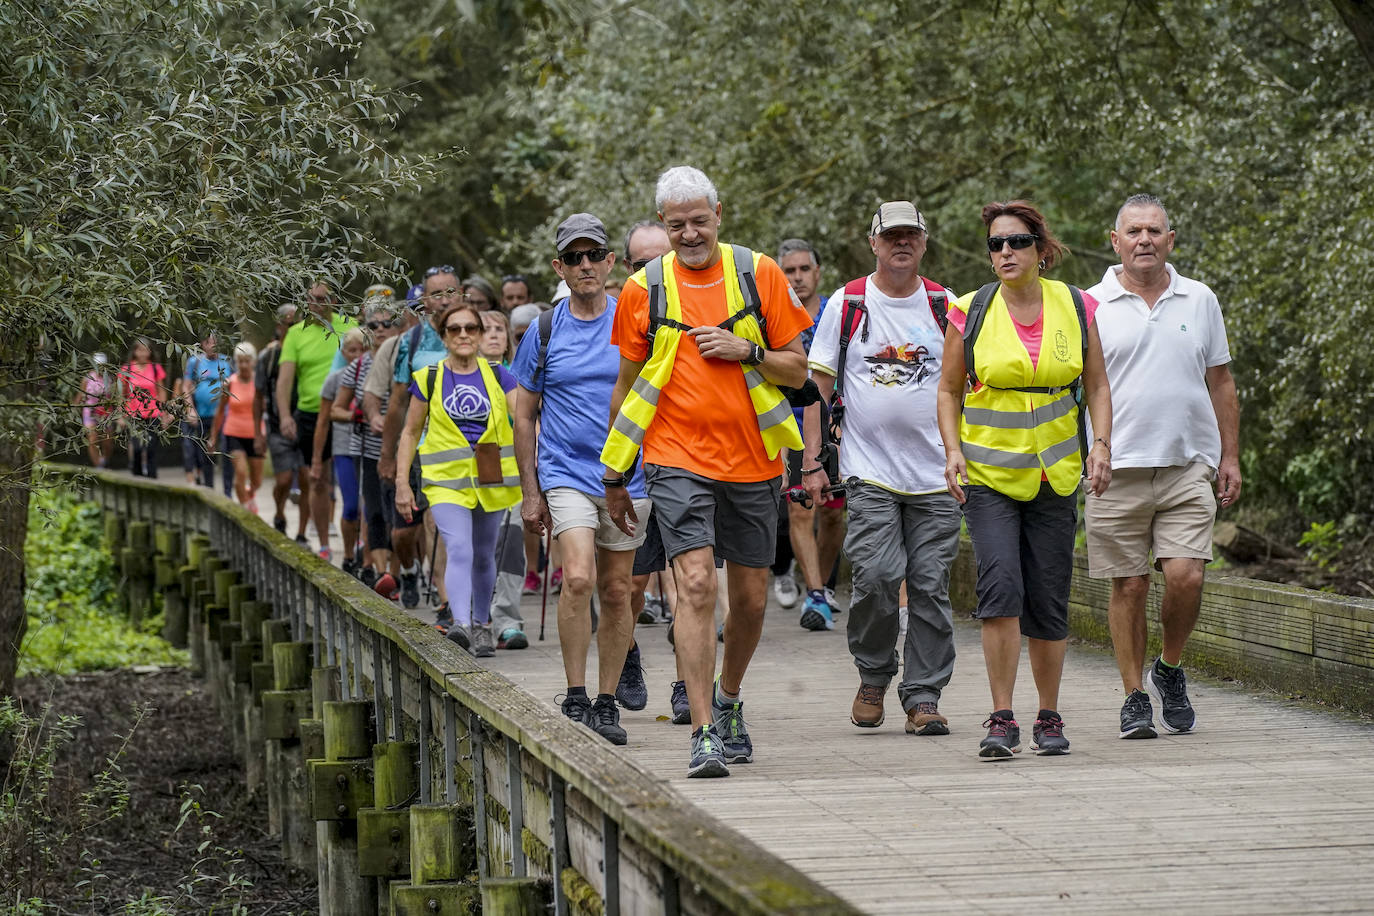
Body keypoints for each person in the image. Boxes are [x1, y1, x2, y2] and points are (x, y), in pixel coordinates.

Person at [601, 166, 812, 778]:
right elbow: (626, 389)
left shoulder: (760, 272)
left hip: (753, 458)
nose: (689, 234)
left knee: (748, 600)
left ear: (719, 214)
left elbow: (800, 372)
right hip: (675, 458)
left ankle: (728, 699)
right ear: (663, 226)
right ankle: (702, 733)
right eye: (676, 225)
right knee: (695, 585)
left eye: (698, 221)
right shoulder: (645, 288)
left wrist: (746, 351)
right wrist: (616, 476)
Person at [936, 200, 1113, 759]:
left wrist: (1101, 446)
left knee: (1049, 599)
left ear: (1040, 247)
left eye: (1016, 242)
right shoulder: (971, 309)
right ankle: (1001, 717)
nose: (1005, 252)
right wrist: (951, 451)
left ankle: (1049, 716)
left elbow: (1099, 386)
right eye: (996, 245)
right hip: (989, 475)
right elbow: (946, 389)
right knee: (1000, 590)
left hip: (1056, 476)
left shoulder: (1077, 304)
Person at [1085, 194, 1241, 739]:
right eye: (1133, 232)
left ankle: (1169, 669)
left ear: (1170, 239)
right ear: (1115, 240)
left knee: (1186, 575)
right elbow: (1075, 387)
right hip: (1115, 467)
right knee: (1127, 586)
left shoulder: (1199, 299)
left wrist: (1231, 454)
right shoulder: (1090, 306)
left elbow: (1221, 380)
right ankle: (1133, 696)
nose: (1144, 240)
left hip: (1186, 464)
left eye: (1154, 230)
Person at [803, 203, 962, 735]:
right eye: (891, 235)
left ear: (923, 241)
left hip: (937, 474)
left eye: (910, 235)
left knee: (930, 584)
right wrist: (809, 460)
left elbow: (969, 387)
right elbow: (818, 387)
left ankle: (922, 696)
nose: (901, 243)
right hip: (867, 469)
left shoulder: (945, 306)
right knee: (874, 577)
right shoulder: (848, 303)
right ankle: (873, 673)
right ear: (873, 242)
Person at [513, 213, 652, 745]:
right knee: (578, 578)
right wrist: (531, 492)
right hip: (565, 472)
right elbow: (524, 415)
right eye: (574, 257)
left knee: (619, 591)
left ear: (612, 262)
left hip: (627, 473)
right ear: (560, 267)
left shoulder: (633, 321)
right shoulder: (544, 331)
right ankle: (575, 691)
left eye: (594, 254)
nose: (586, 265)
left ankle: (607, 700)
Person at [394, 301, 521, 656]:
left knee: (483, 554)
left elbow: (524, 421)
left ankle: (482, 624)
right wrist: (403, 483)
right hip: (444, 480)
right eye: (455, 329)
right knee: (459, 549)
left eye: (471, 328)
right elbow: (409, 433)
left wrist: (538, 469)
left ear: (480, 335)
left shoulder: (499, 375)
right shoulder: (429, 378)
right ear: (444, 336)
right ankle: (461, 623)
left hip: (491, 478)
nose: (463, 335)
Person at [777, 238, 846, 627]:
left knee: (834, 516)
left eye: (804, 269)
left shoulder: (835, 315)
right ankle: (816, 595)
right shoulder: (775, 317)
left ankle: (822, 586)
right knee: (800, 510)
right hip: (790, 427)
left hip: (835, 428)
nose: (798, 277)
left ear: (817, 273)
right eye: (790, 270)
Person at [383, 266, 459, 613]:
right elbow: (398, 404)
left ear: (461, 294)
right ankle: (412, 572)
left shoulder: (471, 332)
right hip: (422, 445)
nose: (444, 300)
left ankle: (448, 599)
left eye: (450, 292)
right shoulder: (411, 343)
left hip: (469, 444)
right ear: (423, 301)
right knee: (405, 533)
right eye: (436, 294)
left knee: (440, 521)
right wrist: (388, 456)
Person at [276, 283, 358, 553]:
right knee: (317, 479)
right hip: (311, 415)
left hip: (349, 414)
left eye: (322, 299)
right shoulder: (296, 334)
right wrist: (286, 415)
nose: (316, 303)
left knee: (353, 477)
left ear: (334, 300)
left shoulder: (350, 326)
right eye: (310, 299)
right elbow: (285, 380)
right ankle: (324, 543)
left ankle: (356, 541)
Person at [347, 291, 404, 586]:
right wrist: (366, 416)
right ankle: (384, 575)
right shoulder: (357, 366)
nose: (380, 329)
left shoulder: (408, 355)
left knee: (401, 514)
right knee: (376, 511)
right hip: (367, 449)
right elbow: (335, 408)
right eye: (373, 325)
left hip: (404, 449)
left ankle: (399, 571)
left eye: (387, 323)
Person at [314, 328, 368, 564]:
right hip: (344, 448)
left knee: (370, 508)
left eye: (363, 349)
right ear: (344, 352)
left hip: (370, 448)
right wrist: (317, 460)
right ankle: (348, 556)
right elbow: (323, 422)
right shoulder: (335, 380)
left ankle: (366, 556)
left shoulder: (378, 376)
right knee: (352, 507)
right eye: (352, 350)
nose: (357, 355)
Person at [255, 304, 304, 540]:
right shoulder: (269, 356)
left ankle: (303, 533)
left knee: (307, 479)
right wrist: (257, 432)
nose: (294, 328)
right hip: (277, 425)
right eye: (290, 324)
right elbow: (258, 395)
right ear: (279, 326)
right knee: (284, 479)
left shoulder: (306, 351)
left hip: (306, 422)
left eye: (298, 324)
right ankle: (280, 512)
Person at [211, 342, 265, 511]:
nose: (243, 365)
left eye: (247, 361)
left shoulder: (259, 382)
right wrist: (212, 437)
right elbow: (220, 412)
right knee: (240, 474)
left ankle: (250, 494)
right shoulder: (229, 383)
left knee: (257, 481)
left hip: (255, 434)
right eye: (240, 361)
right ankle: (246, 509)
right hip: (233, 433)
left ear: (253, 362)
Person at [179, 333, 234, 494]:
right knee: (206, 454)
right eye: (208, 342)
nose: (212, 345)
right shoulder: (194, 362)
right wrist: (190, 410)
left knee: (226, 452)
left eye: (215, 342)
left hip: (224, 416)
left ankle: (228, 492)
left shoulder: (227, 362)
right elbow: (186, 387)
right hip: (203, 416)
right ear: (203, 344)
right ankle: (209, 489)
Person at [119, 339, 169, 478]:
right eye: (139, 349)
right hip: (134, 414)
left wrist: (164, 412)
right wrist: (121, 415)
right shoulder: (127, 369)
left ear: (150, 352)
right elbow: (121, 394)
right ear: (135, 351)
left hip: (153, 413)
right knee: (137, 448)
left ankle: (152, 478)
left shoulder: (155, 368)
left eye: (145, 349)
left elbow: (162, 391)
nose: (142, 353)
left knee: (151, 448)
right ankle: (138, 476)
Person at [76, 353, 116, 468]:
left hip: (105, 413)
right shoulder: (87, 378)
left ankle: (104, 460)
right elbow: (81, 395)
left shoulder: (110, 379)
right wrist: (74, 409)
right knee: (92, 439)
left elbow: (114, 397)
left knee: (107, 442)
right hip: (90, 412)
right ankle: (98, 466)